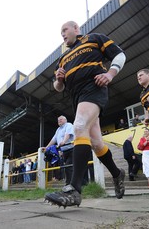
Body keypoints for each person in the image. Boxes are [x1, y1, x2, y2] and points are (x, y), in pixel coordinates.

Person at [44, 21, 126, 208]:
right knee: (97, 144)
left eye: (64, 30)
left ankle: (74, 189)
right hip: (78, 99)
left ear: (76, 29)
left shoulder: (94, 38)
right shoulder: (63, 58)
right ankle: (117, 174)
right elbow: (58, 88)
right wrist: (58, 79)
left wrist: (110, 74)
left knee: (79, 127)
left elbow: (119, 54)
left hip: (94, 88)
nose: (62, 34)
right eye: (60, 32)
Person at [43, 115, 75, 185]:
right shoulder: (58, 129)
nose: (59, 121)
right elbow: (53, 139)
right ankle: (71, 183)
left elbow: (68, 134)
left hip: (71, 149)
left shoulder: (68, 125)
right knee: (66, 167)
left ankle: (69, 184)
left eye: (61, 119)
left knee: (68, 166)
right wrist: (47, 147)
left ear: (65, 120)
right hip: (63, 151)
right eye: (58, 120)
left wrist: (64, 141)